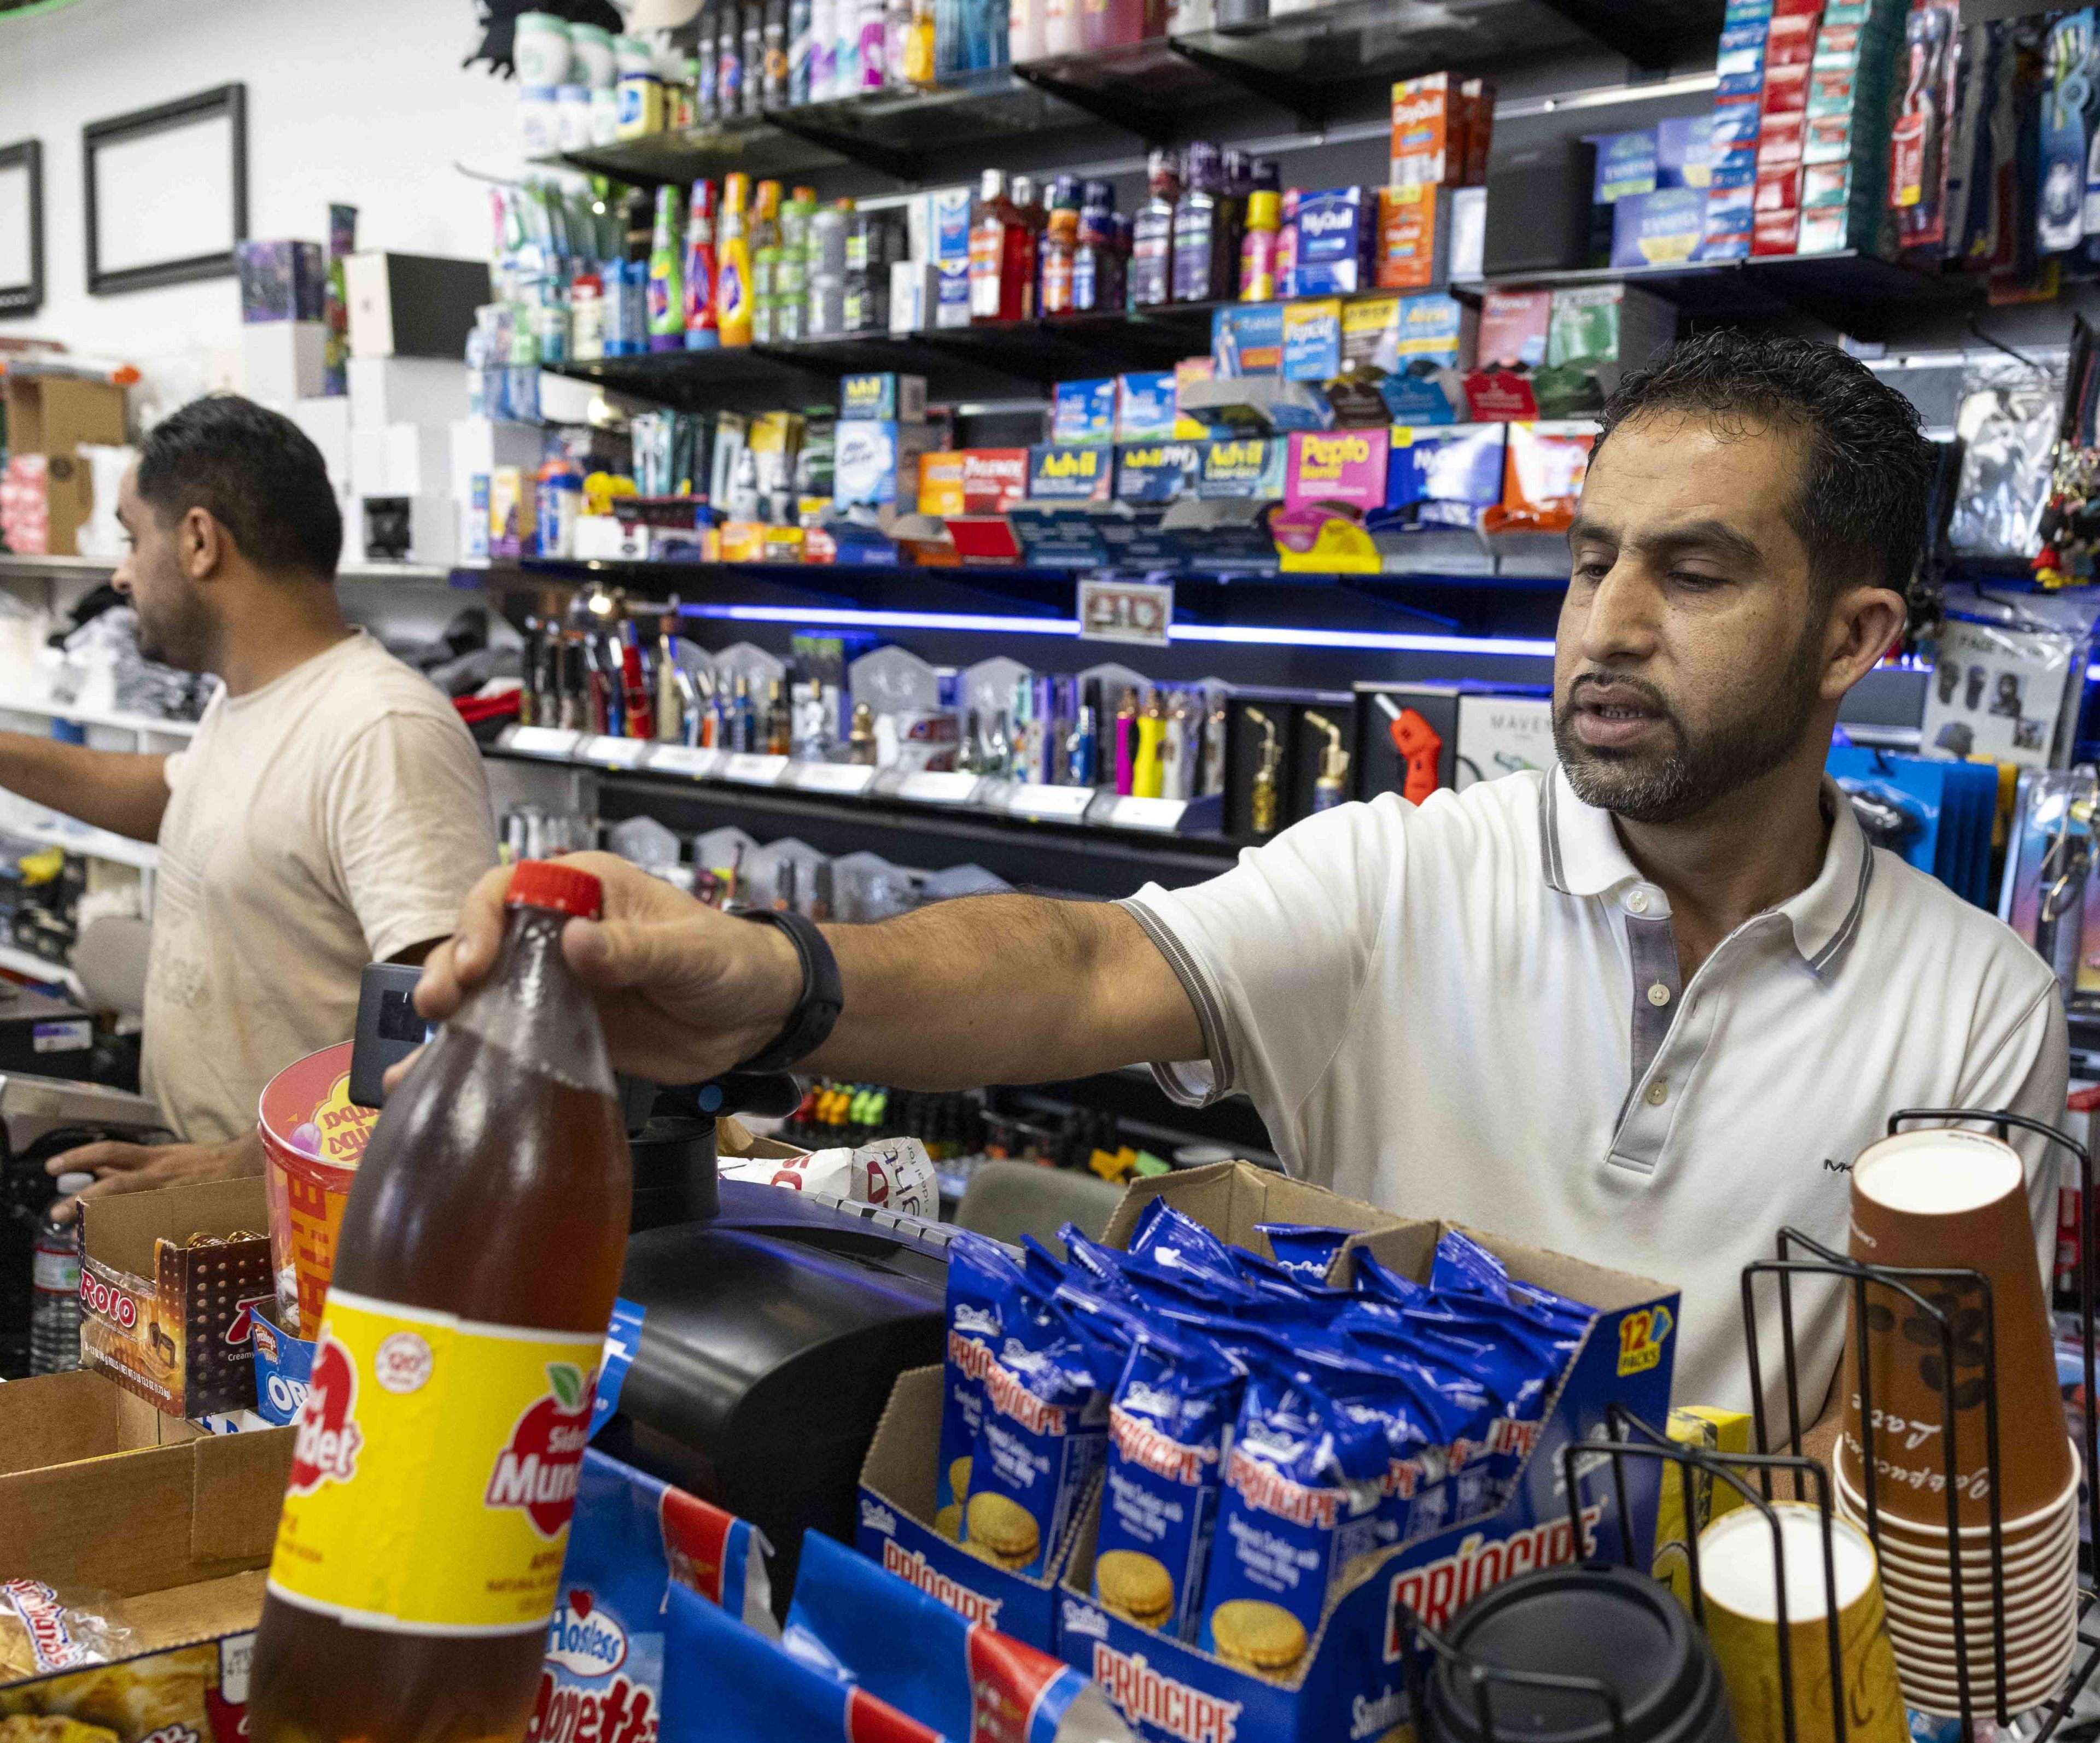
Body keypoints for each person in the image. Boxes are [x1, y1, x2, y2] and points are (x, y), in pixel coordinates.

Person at [416, 333, 2066, 1435]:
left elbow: (1909, 1469)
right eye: (1589, 560)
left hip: (1686, 1730)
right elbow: (1073, 967)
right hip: (1324, 1624)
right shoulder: (1410, 870)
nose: (1609, 625)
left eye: (1693, 572)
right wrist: (778, 976)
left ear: (1858, 639)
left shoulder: (1975, 1007)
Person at [10, 396, 498, 1213]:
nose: (123, 574)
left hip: (307, 1217)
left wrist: (239, 1162)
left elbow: (442, 1035)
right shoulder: (254, 701)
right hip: (229, 1194)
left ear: (200, 541)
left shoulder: (381, 729)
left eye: (134, 539)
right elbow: (180, 799)